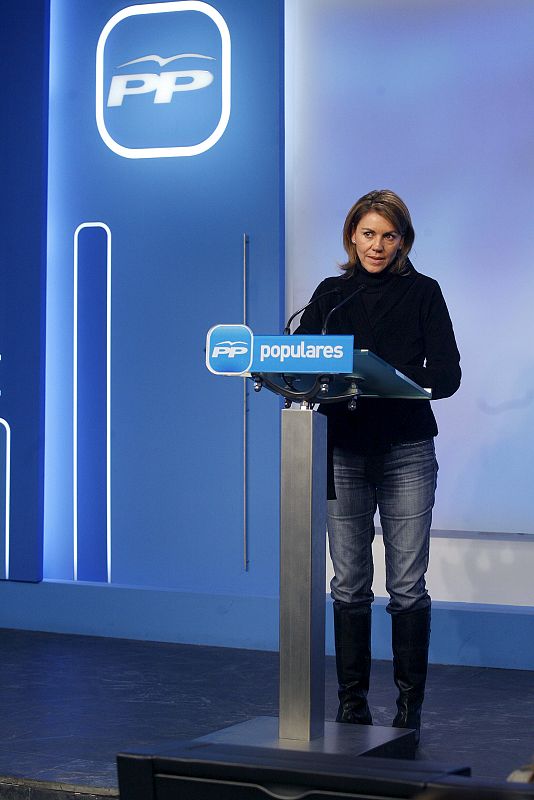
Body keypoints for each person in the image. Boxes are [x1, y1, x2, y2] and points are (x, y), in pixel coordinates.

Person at [295, 189, 461, 745]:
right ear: (351, 237)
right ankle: (352, 706)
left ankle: (408, 709)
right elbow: (298, 361)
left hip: (406, 451)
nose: (378, 245)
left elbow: (449, 374)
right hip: (342, 449)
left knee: (407, 586)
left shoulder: (424, 293)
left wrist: (385, 373)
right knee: (349, 585)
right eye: (368, 233)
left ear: (403, 241)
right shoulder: (331, 295)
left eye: (389, 235)